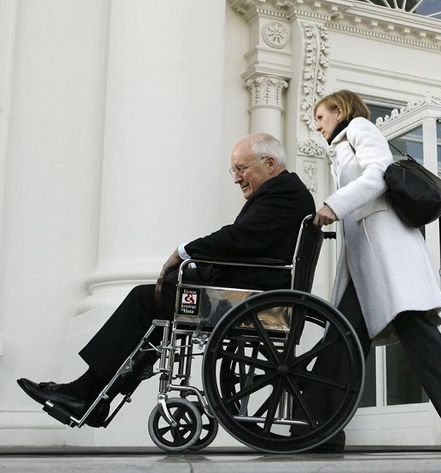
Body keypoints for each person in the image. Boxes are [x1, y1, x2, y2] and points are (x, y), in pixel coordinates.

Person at [17, 133, 315, 426]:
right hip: (252, 294)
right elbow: (248, 242)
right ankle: (94, 395)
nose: (236, 178)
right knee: (155, 304)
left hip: (253, 299)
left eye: (241, 168)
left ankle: (88, 393)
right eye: (233, 170)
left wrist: (185, 251)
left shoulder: (284, 193)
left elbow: (240, 238)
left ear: (270, 163)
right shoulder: (283, 192)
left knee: (145, 300)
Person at [310, 89, 441, 453]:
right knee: (340, 341)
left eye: (320, 117)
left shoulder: (360, 128)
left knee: (420, 340)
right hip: (365, 262)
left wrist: (335, 204)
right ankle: (320, 429)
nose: (317, 126)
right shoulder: (342, 144)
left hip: (386, 258)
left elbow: (378, 175)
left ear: (339, 110)